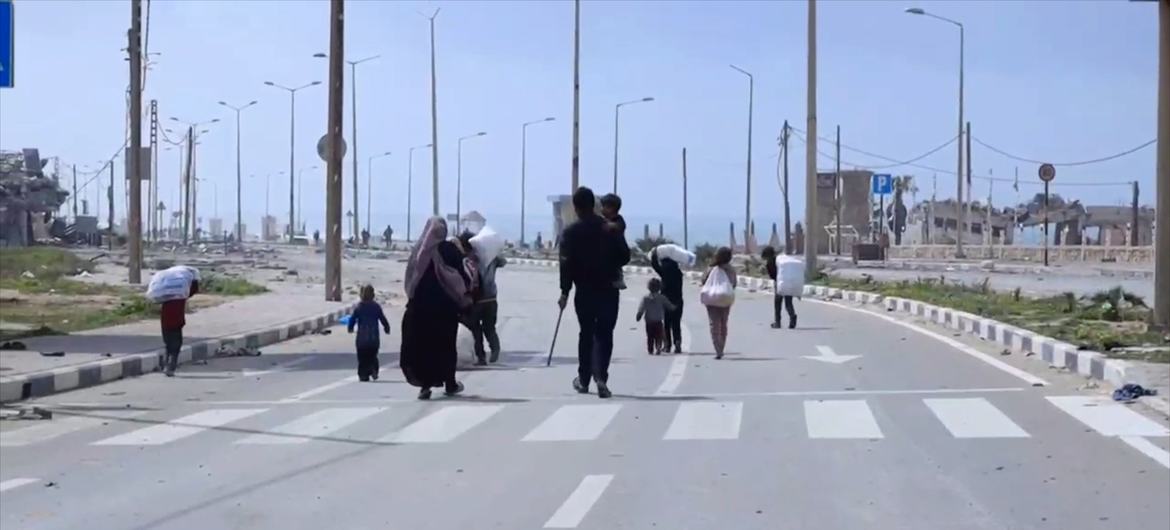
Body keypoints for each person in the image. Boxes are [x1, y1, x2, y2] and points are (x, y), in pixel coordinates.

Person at [558, 187, 631, 399]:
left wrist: (564, 291)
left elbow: (566, 265)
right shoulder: (609, 228)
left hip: (584, 291)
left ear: (576, 207)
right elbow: (625, 256)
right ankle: (601, 378)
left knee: (586, 334)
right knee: (605, 334)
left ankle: (583, 379)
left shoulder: (570, 232)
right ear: (594, 205)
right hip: (608, 289)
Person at [400, 217, 473, 400]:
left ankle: (425, 386)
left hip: (421, 310)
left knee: (424, 347)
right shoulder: (449, 250)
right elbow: (463, 275)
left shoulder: (419, 251)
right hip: (445, 310)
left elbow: (410, 278)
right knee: (446, 347)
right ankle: (450, 383)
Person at [348, 285, 391, 381]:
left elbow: (352, 319)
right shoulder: (376, 307)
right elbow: (382, 318)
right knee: (372, 356)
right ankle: (373, 368)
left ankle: (363, 375)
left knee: (362, 358)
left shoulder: (359, 307)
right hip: (374, 338)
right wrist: (386, 327)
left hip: (362, 339)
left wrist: (350, 328)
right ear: (373, 295)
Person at [701, 246, 737, 359]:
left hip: (711, 300)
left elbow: (703, 281)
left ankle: (718, 349)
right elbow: (734, 284)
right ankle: (722, 347)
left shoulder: (711, 268)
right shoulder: (731, 269)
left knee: (714, 324)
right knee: (723, 323)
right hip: (725, 299)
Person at [160, 278, 199, 377]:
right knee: (176, 346)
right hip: (177, 321)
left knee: (168, 344)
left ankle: (167, 366)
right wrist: (194, 280)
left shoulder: (166, 294)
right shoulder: (182, 293)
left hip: (165, 321)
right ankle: (170, 367)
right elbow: (193, 290)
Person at [650, 248, 685, 353]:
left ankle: (668, 345)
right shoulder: (679, 273)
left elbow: (655, 265)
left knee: (666, 324)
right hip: (678, 300)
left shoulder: (664, 272)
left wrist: (654, 254)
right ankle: (677, 342)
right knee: (676, 324)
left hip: (666, 301)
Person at [636, 277, 676, 355]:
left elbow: (641, 308)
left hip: (649, 321)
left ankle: (650, 349)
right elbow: (669, 305)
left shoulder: (645, 298)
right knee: (658, 336)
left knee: (650, 336)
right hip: (658, 320)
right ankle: (658, 347)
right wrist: (675, 307)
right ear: (659, 287)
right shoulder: (662, 298)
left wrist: (639, 315)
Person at [762, 246, 798, 329]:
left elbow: (772, 276)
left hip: (779, 284)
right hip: (789, 282)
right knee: (788, 303)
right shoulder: (781, 260)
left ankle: (777, 322)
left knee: (777, 304)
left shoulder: (769, 264)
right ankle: (792, 316)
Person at [599, 193, 628, 290]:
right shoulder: (603, 220)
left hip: (619, 250)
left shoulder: (618, 219)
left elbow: (620, 226)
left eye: (604, 207)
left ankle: (618, 278)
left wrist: (610, 225)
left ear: (611, 208)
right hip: (609, 252)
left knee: (616, 267)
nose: (602, 209)